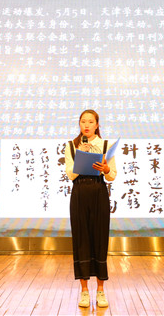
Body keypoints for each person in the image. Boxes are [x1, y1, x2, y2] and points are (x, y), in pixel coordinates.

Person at [65, 109, 117, 308]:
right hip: (79, 193)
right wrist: (82, 156)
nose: (86, 125)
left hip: (98, 193)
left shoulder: (105, 145)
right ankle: (84, 291)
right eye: (83, 122)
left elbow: (112, 175)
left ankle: (101, 291)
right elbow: (70, 174)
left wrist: (106, 169)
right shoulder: (71, 145)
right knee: (81, 239)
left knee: (100, 238)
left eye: (90, 122)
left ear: (97, 125)